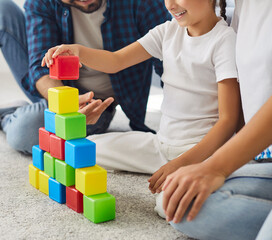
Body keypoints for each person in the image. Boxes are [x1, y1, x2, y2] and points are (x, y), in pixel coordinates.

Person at [0, 0, 171, 154]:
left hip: (96, 105)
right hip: (59, 92)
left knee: (24, 132)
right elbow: (39, 66)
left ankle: (4, 116)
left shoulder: (142, 3)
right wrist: (65, 103)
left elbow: (169, 60)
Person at [43, 0, 239, 193]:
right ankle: (169, 170)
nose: (170, 5)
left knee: (167, 206)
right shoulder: (167, 31)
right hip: (160, 146)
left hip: (200, 154)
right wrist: (77, 50)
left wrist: (181, 163)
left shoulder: (224, 40)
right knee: (85, 149)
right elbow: (116, 61)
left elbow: (228, 120)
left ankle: (179, 175)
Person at [159, 0, 272, 239]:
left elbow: (228, 119)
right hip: (264, 159)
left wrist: (215, 167)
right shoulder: (241, 9)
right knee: (185, 206)